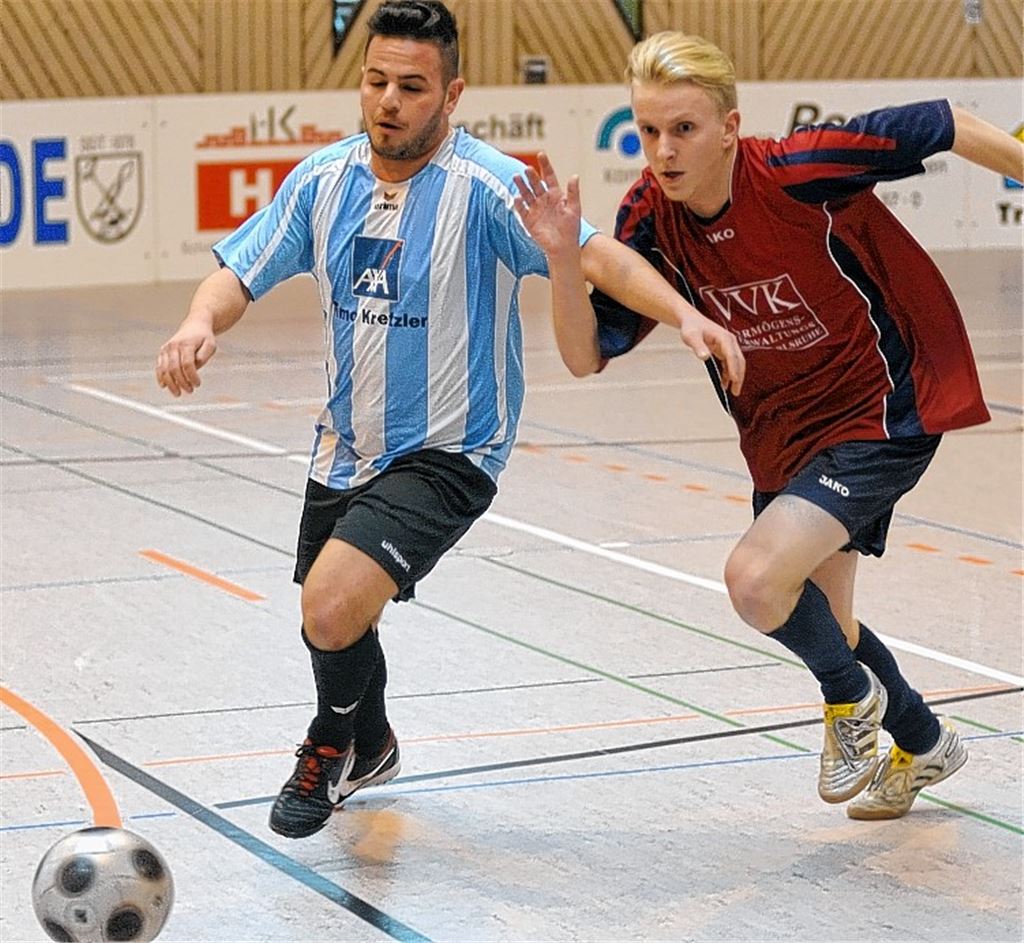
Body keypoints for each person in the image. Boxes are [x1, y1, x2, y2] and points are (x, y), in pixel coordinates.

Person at [155, 4, 743, 839]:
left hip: (451, 447)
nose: (389, 101)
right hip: (344, 443)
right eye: (376, 81)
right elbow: (239, 270)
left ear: (453, 93)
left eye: (412, 86)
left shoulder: (487, 187)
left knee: (328, 606)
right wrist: (198, 322)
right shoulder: (322, 180)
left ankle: (331, 744)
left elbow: (600, 254)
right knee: (339, 616)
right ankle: (375, 739)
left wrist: (685, 315)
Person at [513, 31, 1024, 820]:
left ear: (729, 126)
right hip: (781, 435)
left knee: (754, 579)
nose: (663, 150)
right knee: (826, 615)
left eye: (682, 129)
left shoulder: (800, 169)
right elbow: (584, 358)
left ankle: (849, 702)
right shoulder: (651, 217)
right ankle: (924, 744)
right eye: (648, 131)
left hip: (882, 403)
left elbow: (946, 120)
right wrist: (560, 259)